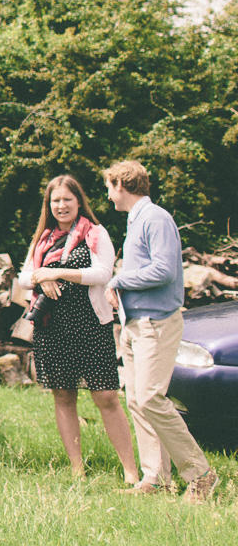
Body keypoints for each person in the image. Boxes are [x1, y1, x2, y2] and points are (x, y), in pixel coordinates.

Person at [104, 161, 217, 501]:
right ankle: (156, 479)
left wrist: (119, 279)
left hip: (157, 324)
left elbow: (165, 271)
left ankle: (200, 474)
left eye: (109, 187)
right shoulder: (136, 219)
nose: (108, 196)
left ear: (121, 185)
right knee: (138, 400)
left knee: (152, 398)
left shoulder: (156, 218)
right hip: (135, 324)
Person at [18, 174, 138, 483]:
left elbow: (102, 273)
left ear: (79, 201)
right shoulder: (43, 237)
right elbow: (23, 277)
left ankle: (130, 470)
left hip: (90, 326)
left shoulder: (95, 233)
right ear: (49, 205)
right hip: (52, 327)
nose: (61, 206)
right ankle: (77, 468)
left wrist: (56, 271)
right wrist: (42, 277)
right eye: (55, 201)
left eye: (67, 200)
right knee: (63, 396)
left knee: (107, 397)